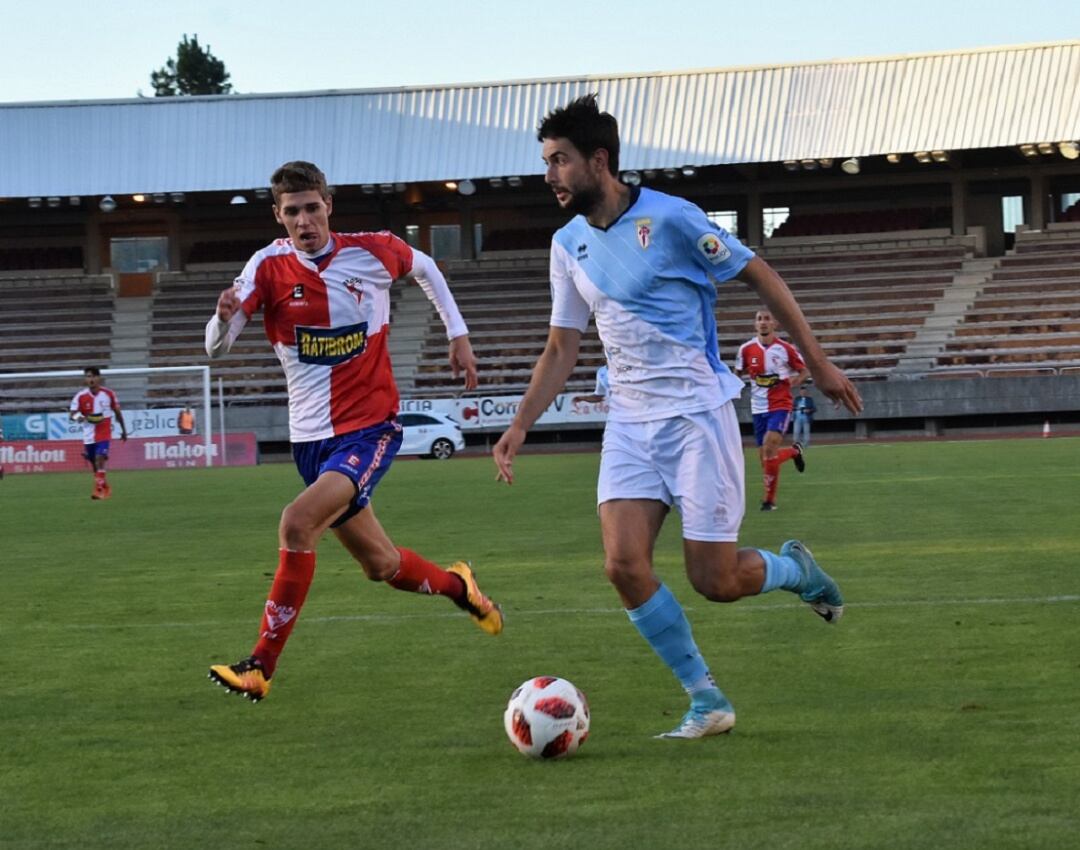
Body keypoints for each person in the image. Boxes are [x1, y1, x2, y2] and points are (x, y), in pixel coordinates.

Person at [492, 95, 863, 739]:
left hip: (697, 416)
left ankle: (797, 570)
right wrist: (521, 423)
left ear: (598, 161)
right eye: (546, 161)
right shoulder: (567, 243)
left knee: (714, 581)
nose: (548, 174)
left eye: (559, 161)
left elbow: (761, 276)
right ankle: (706, 700)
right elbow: (562, 345)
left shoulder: (672, 218)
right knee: (623, 565)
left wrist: (820, 363)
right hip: (630, 423)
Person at [205, 160, 502, 703]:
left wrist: (458, 335)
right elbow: (217, 348)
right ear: (278, 216)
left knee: (297, 523)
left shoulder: (373, 250)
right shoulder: (267, 267)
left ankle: (259, 667)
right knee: (381, 566)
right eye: (292, 212)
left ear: (328, 206)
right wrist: (223, 318)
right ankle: (462, 588)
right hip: (311, 442)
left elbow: (427, 268)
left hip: (370, 430)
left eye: (312, 208)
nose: (304, 220)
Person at [734, 309, 810, 511]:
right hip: (758, 407)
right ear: (755, 325)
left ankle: (769, 501)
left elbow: (804, 370)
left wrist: (795, 381)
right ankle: (794, 451)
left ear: (774, 324)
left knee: (769, 449)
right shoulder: (746, 349)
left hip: (781, 405)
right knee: (766, 459)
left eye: (767, 319)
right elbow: (737, 373)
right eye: (760, 319)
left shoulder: (785, 349)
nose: (763, 323)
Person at [69, 366, 127, 500]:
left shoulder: (108, 394)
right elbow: (72, 414)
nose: (91, 379)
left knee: (99, 457)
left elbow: (118, 412)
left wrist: (124, 431)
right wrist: (81, 418)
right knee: (95, 465)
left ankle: (98, 490)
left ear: (98, 378)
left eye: (93, 376)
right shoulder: (80, 396)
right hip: (88, 435)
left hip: (104, 432)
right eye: (88, 376)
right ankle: (105, 486)